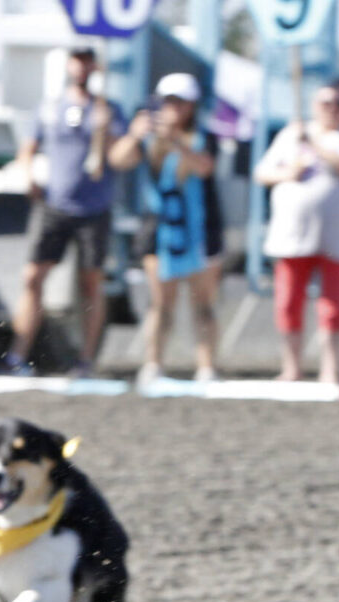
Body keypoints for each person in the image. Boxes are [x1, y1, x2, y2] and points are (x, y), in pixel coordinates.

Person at [4, 45, 126, 377]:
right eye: (77, 60)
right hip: (55, 205)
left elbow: (123, 158)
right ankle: (18, 354)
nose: (81, 67)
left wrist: (107, 131)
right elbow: (28, 148)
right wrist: (28, 177)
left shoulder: (109, 111)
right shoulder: (50, 108)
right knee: (32, 277)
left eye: (87, 61)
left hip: (94, 208)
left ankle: (86, 359)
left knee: (91, 282)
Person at [110, 72, 224, 385]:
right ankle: (154, 364)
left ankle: (206, 367)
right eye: (168, 101)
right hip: (159, 230)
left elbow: (204, 167)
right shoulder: (148, 137)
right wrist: (134, 135)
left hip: (199, 230)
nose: (173, 108)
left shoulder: (204, 136)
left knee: (203, 303)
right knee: (161, 304)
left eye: (179, 101)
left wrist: (175, 141)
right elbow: (117, 161)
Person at [254, 79, 339, 386]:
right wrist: (288, 173)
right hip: (293, 235)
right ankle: (292, 368)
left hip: (337, 236)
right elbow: (262, 173)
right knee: (288, 301)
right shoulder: (290, 136)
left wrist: (314, 144)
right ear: (315, 105)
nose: (332, 109)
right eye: (326, 103)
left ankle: (330, 370)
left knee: (332, 304)